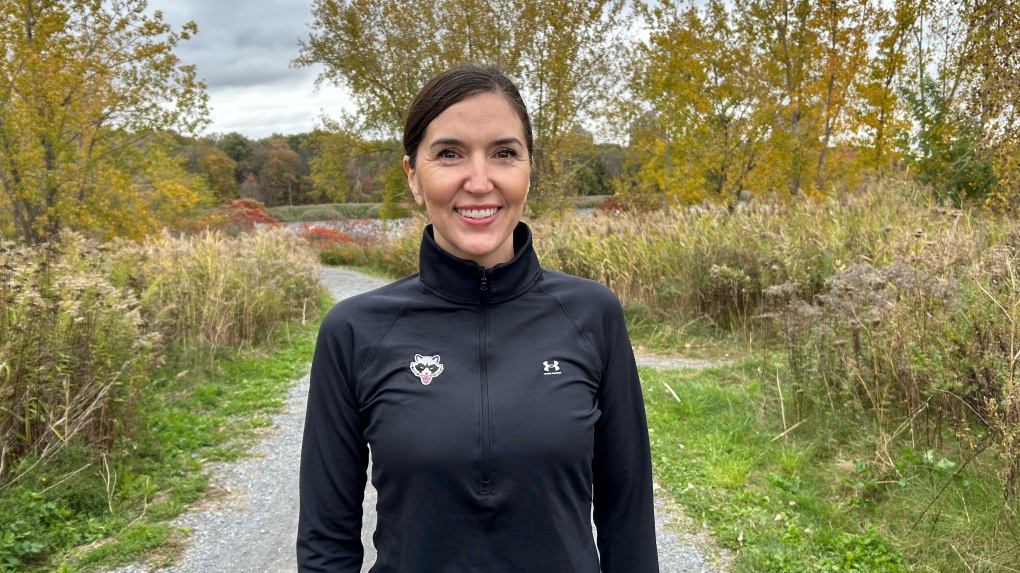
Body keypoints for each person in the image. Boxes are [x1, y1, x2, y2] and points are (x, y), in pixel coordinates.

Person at [297, 64, 659, 573]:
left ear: (529, 170)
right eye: (449, 153)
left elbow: (628, 520)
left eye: (504, 153)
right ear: (413, 177)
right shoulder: (354, 332)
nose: (480, 181)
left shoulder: (592, 314)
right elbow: (326, 541)